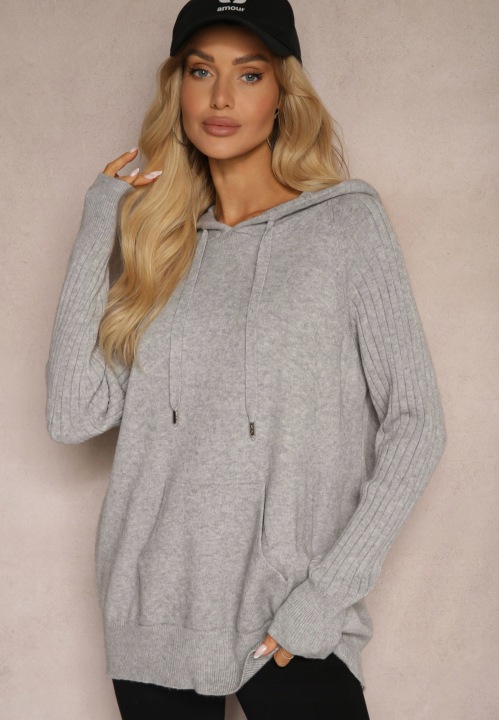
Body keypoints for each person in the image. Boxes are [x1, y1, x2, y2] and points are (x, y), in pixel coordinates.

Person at [45, 0, 447, 717]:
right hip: (153, 611)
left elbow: (417, 422)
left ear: (283, 93)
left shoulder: (345, 225)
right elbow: (73, 415)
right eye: (201, 72)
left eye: (249, 73)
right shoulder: (162, 247)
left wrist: (324, 597)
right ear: (178, 89)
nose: (221, 97)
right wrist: (98, 224)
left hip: (288, 611)